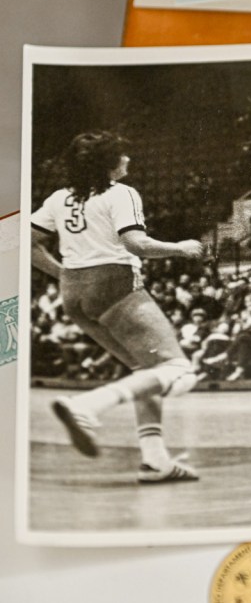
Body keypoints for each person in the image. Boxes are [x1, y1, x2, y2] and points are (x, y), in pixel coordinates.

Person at [29, 131, 204, 483]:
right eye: (122, 155)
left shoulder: (59, 197)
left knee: (145, 372)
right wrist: (180, 248)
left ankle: (155, 461)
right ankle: (86, 406)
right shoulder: (121, 193)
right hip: (114, 284)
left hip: (73, 293)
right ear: (108, 163)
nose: (128, 160)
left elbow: (24, 240)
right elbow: (136, 243)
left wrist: (64, 274)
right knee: (178, 370)